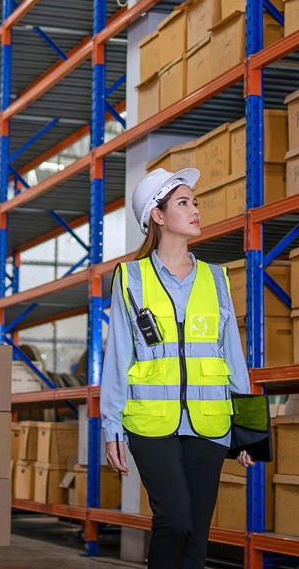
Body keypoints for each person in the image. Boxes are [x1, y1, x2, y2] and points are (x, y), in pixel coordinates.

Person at [100, 168, 255, 569]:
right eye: (184, 202)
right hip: (151, 423)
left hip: (210, 423)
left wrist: (251, 430)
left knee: (197, 536)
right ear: (158, 215)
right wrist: (111, 427)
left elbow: (232, 356)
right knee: (175, 521)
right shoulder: (130, 278)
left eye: (196, 202)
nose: (196, 209)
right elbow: (118, 357)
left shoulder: (217, 278)